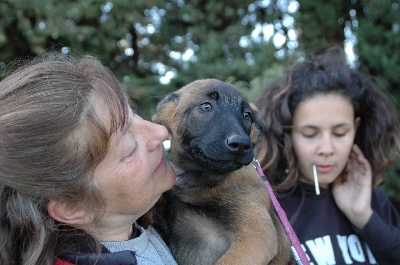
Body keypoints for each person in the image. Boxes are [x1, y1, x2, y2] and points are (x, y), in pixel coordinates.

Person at [0, 54, 177, 265]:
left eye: (135, 115)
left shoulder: (160, 218)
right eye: (129, 150)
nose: (161, 132)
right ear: (75, 206)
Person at [254, 47, 400, 265]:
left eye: (340, 133)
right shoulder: (269, 208)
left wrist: (363, 217)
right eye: (310, 134)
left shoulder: (373, 201)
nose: (326, 148)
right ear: (289, 134)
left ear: (356, 128)